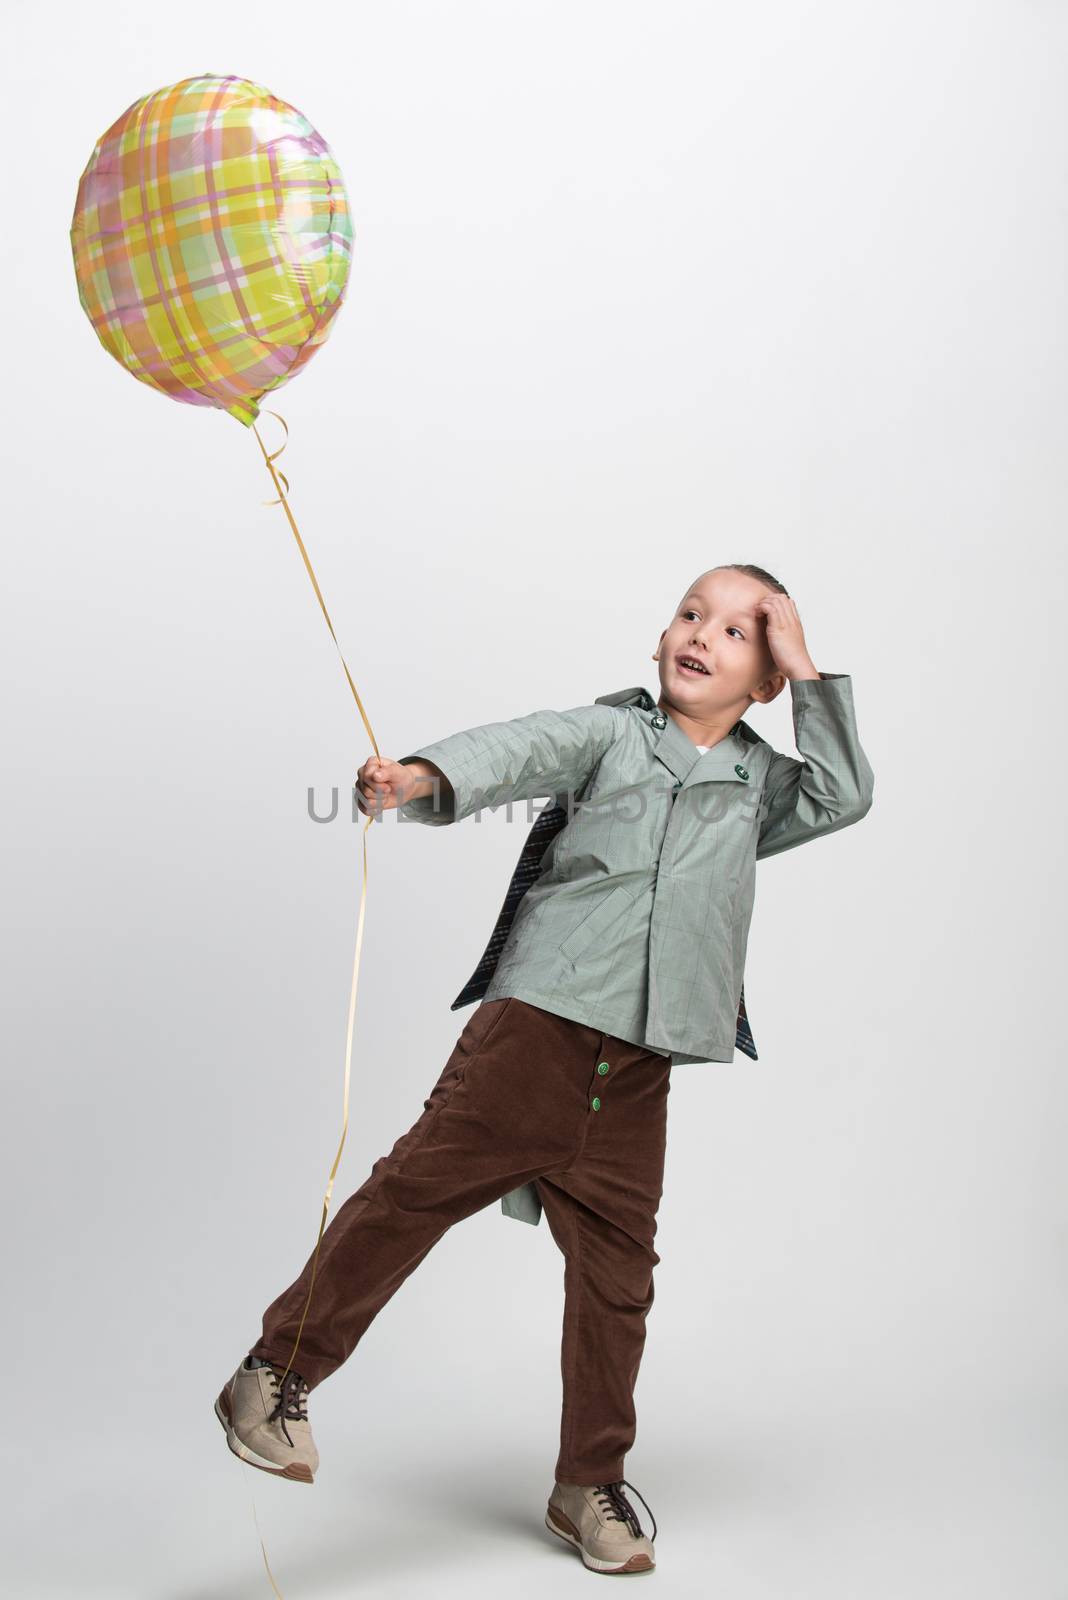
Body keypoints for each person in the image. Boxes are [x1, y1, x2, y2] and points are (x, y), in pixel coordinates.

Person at [214, 562, 875, 1575]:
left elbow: (845, 791)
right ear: (659, 639)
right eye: (689, 613)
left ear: (768, 672)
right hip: (541, 1027)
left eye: (739, 631)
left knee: (619, 1279)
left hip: (643, 1060)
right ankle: (273, 1373)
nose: (700, 633)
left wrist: (808, 666)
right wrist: (421, 778)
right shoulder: (614, 733)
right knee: (415, 1194)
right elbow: (521, 746)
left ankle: (587, 1480)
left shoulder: (758, 786)